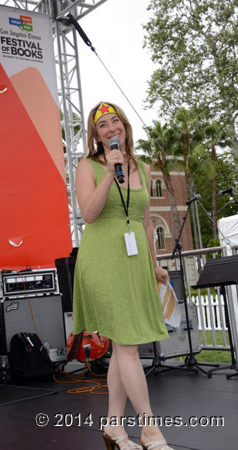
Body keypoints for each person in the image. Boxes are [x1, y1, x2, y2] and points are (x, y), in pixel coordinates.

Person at [72, 101, 173, 450]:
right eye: (103, 125)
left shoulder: (142, 167)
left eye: (116, 122)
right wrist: (109, 174)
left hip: (133, 263)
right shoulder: (88, 166)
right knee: (128, 344)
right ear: (96, 136)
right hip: (102, 261)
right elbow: (88, 213)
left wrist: (155, 265)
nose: (112, 128)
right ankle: (150, 430)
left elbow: (146, 223)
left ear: (126, 126)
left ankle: (114, 428)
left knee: (122, 345)